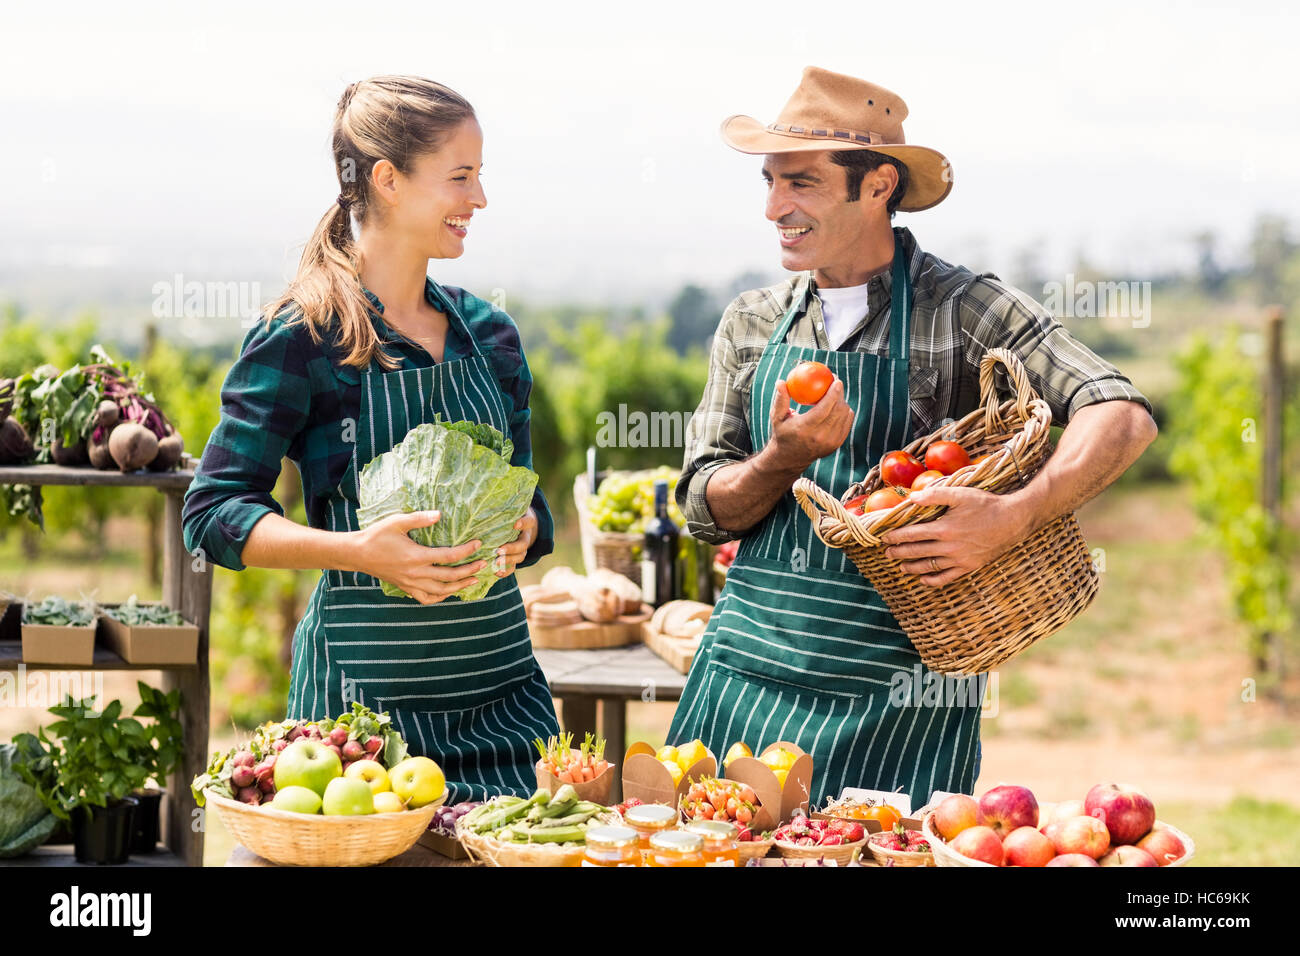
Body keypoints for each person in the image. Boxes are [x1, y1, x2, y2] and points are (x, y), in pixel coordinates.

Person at [668, 67, 1158, 806]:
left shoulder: (963, 309)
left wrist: (1014, 515)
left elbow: (1122, 413)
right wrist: (783, 458)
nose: (774, 207)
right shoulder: (752, 320)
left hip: (901, 694)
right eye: (768, 182)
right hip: (746, 675)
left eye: (800, 183)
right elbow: (704, 509)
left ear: (879, 186)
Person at [182, 76, 560, 803]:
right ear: (387, 180)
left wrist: (527, 527)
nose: (479, 199)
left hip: (504, 705)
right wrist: (356, 550)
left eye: (479, 177)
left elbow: (529, 495)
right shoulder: (304, 338)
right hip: (359, 731)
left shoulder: (491, 336)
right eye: (460, 177)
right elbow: (213, 513)